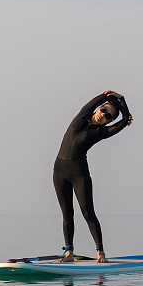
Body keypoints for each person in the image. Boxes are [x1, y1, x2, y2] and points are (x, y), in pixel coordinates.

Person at [54, 90, 132, 263]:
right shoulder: (81, 117)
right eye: (103, 111)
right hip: (59, 172)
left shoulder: (101, 132)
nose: (103, 116)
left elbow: (125, 121)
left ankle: (100, 253)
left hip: (79, 174)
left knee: (88, 213)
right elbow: (95, 100)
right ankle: (69, 253)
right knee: (67, 214)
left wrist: (123, 102)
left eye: (108, 117)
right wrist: (111, 96)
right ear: (98, 109)